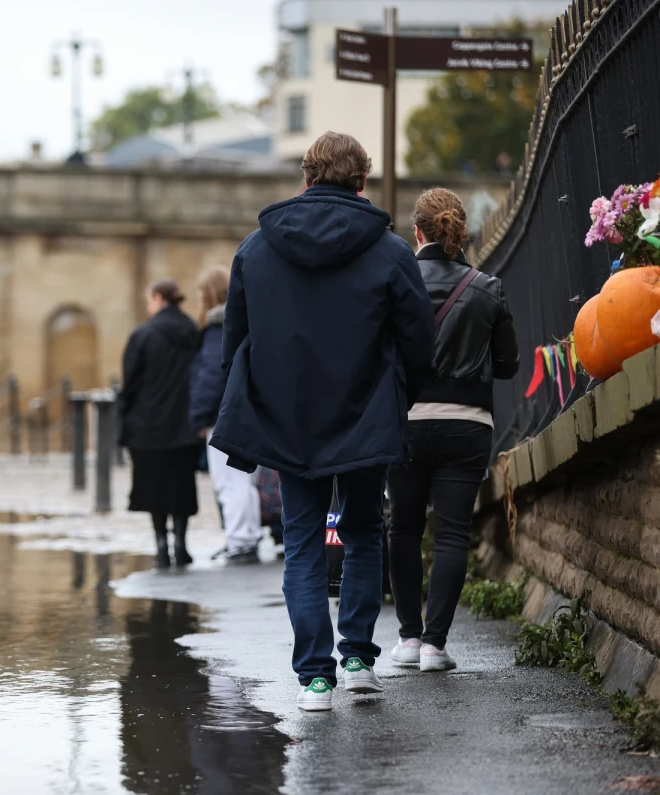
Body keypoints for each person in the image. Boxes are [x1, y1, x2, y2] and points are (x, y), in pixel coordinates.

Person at [211, 131, 435, 711]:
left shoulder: (256, 249)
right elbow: (419, 342)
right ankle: (357, 658)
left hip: (288, 419)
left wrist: (258, 402)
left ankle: (314, 677)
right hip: (365, 410)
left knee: (303, 541)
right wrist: (398, 395)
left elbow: (235, 343)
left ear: (306, 177)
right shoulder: (390, 252)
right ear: (361, 182)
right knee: (362, 531)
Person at [387, 188, 519, 672]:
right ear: (461, 232)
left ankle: (408, 637)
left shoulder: (396, 284)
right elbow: (507, 365)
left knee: (402, 528)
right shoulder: (488, 288)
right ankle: (434, 646)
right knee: (451, 534)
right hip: (466, 424)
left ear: (416, 231)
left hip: (405, 422)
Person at [119, 278, 203, 569]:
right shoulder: (194, 332)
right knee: (182, 484)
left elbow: (130, 382)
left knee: (153, 486)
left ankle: (161, 544)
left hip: (148, 425)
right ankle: (180, 542)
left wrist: (125, 416)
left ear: (158, 298)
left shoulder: (142, 335)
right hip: (185, 424)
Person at [189, 266, 264, 565]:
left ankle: (240, 541)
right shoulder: (249, 320)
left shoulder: (216, 328)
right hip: (250, 412)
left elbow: (211, 376)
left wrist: (198, 416)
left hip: (225, 415)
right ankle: (247, 537)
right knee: (245, 481)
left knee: (230, 482)